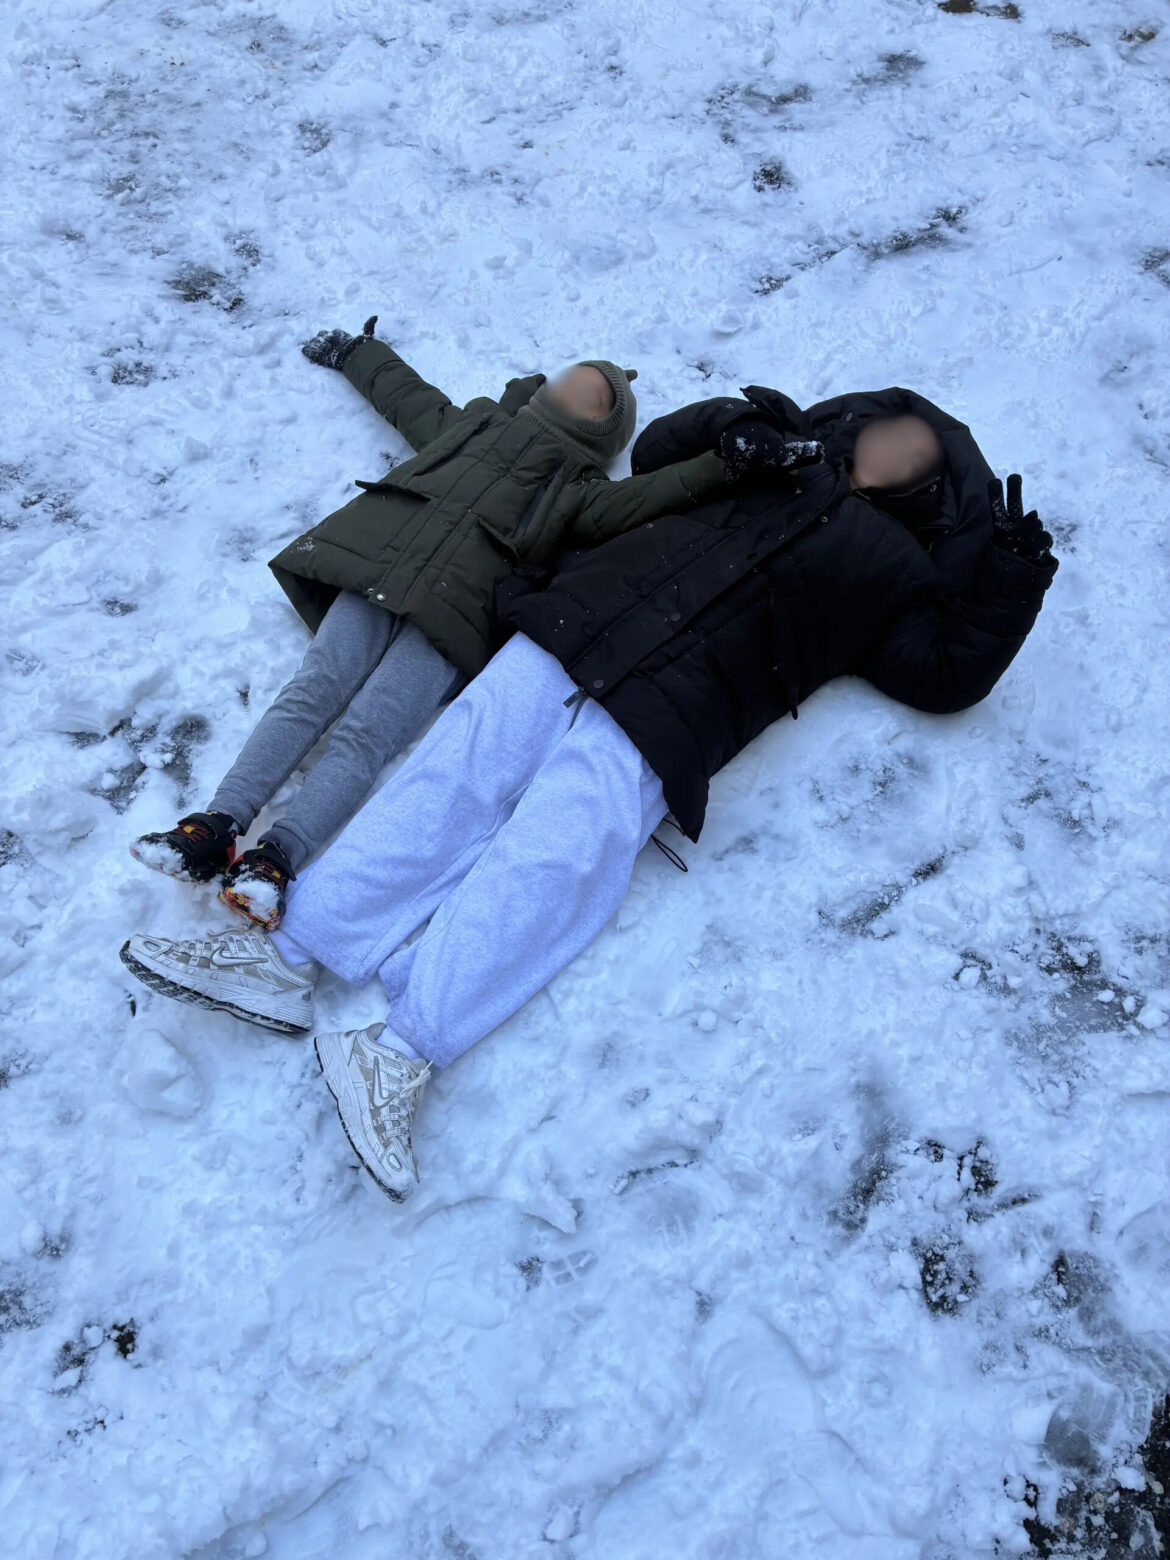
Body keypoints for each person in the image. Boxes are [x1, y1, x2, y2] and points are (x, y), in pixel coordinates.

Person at [121, 383, 1058, 1203]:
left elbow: (942, 673)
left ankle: (398, 1052)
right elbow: (657, 454)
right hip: (577, 626)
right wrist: (733, 429)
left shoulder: (896, 570)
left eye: (919, 453)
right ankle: (289, 958)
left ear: (929, 488)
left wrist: (1010, 583)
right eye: (893, 426)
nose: (897, 445)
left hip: (678, 712)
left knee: (553, 868)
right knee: (448, 786)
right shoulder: (775, 451)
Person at [128, 317, 729, 929]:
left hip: (452, 625)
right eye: (572, 376)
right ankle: (215, 825)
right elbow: (407, 396)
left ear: (604, 427)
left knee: (370, 733)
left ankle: (276, 860)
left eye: (592, 394)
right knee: (311, 691)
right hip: (378, 576)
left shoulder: (581, 489)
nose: (573, 386)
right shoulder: (476, 424)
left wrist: (729, 461)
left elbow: (655, 495)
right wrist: (358, 352)